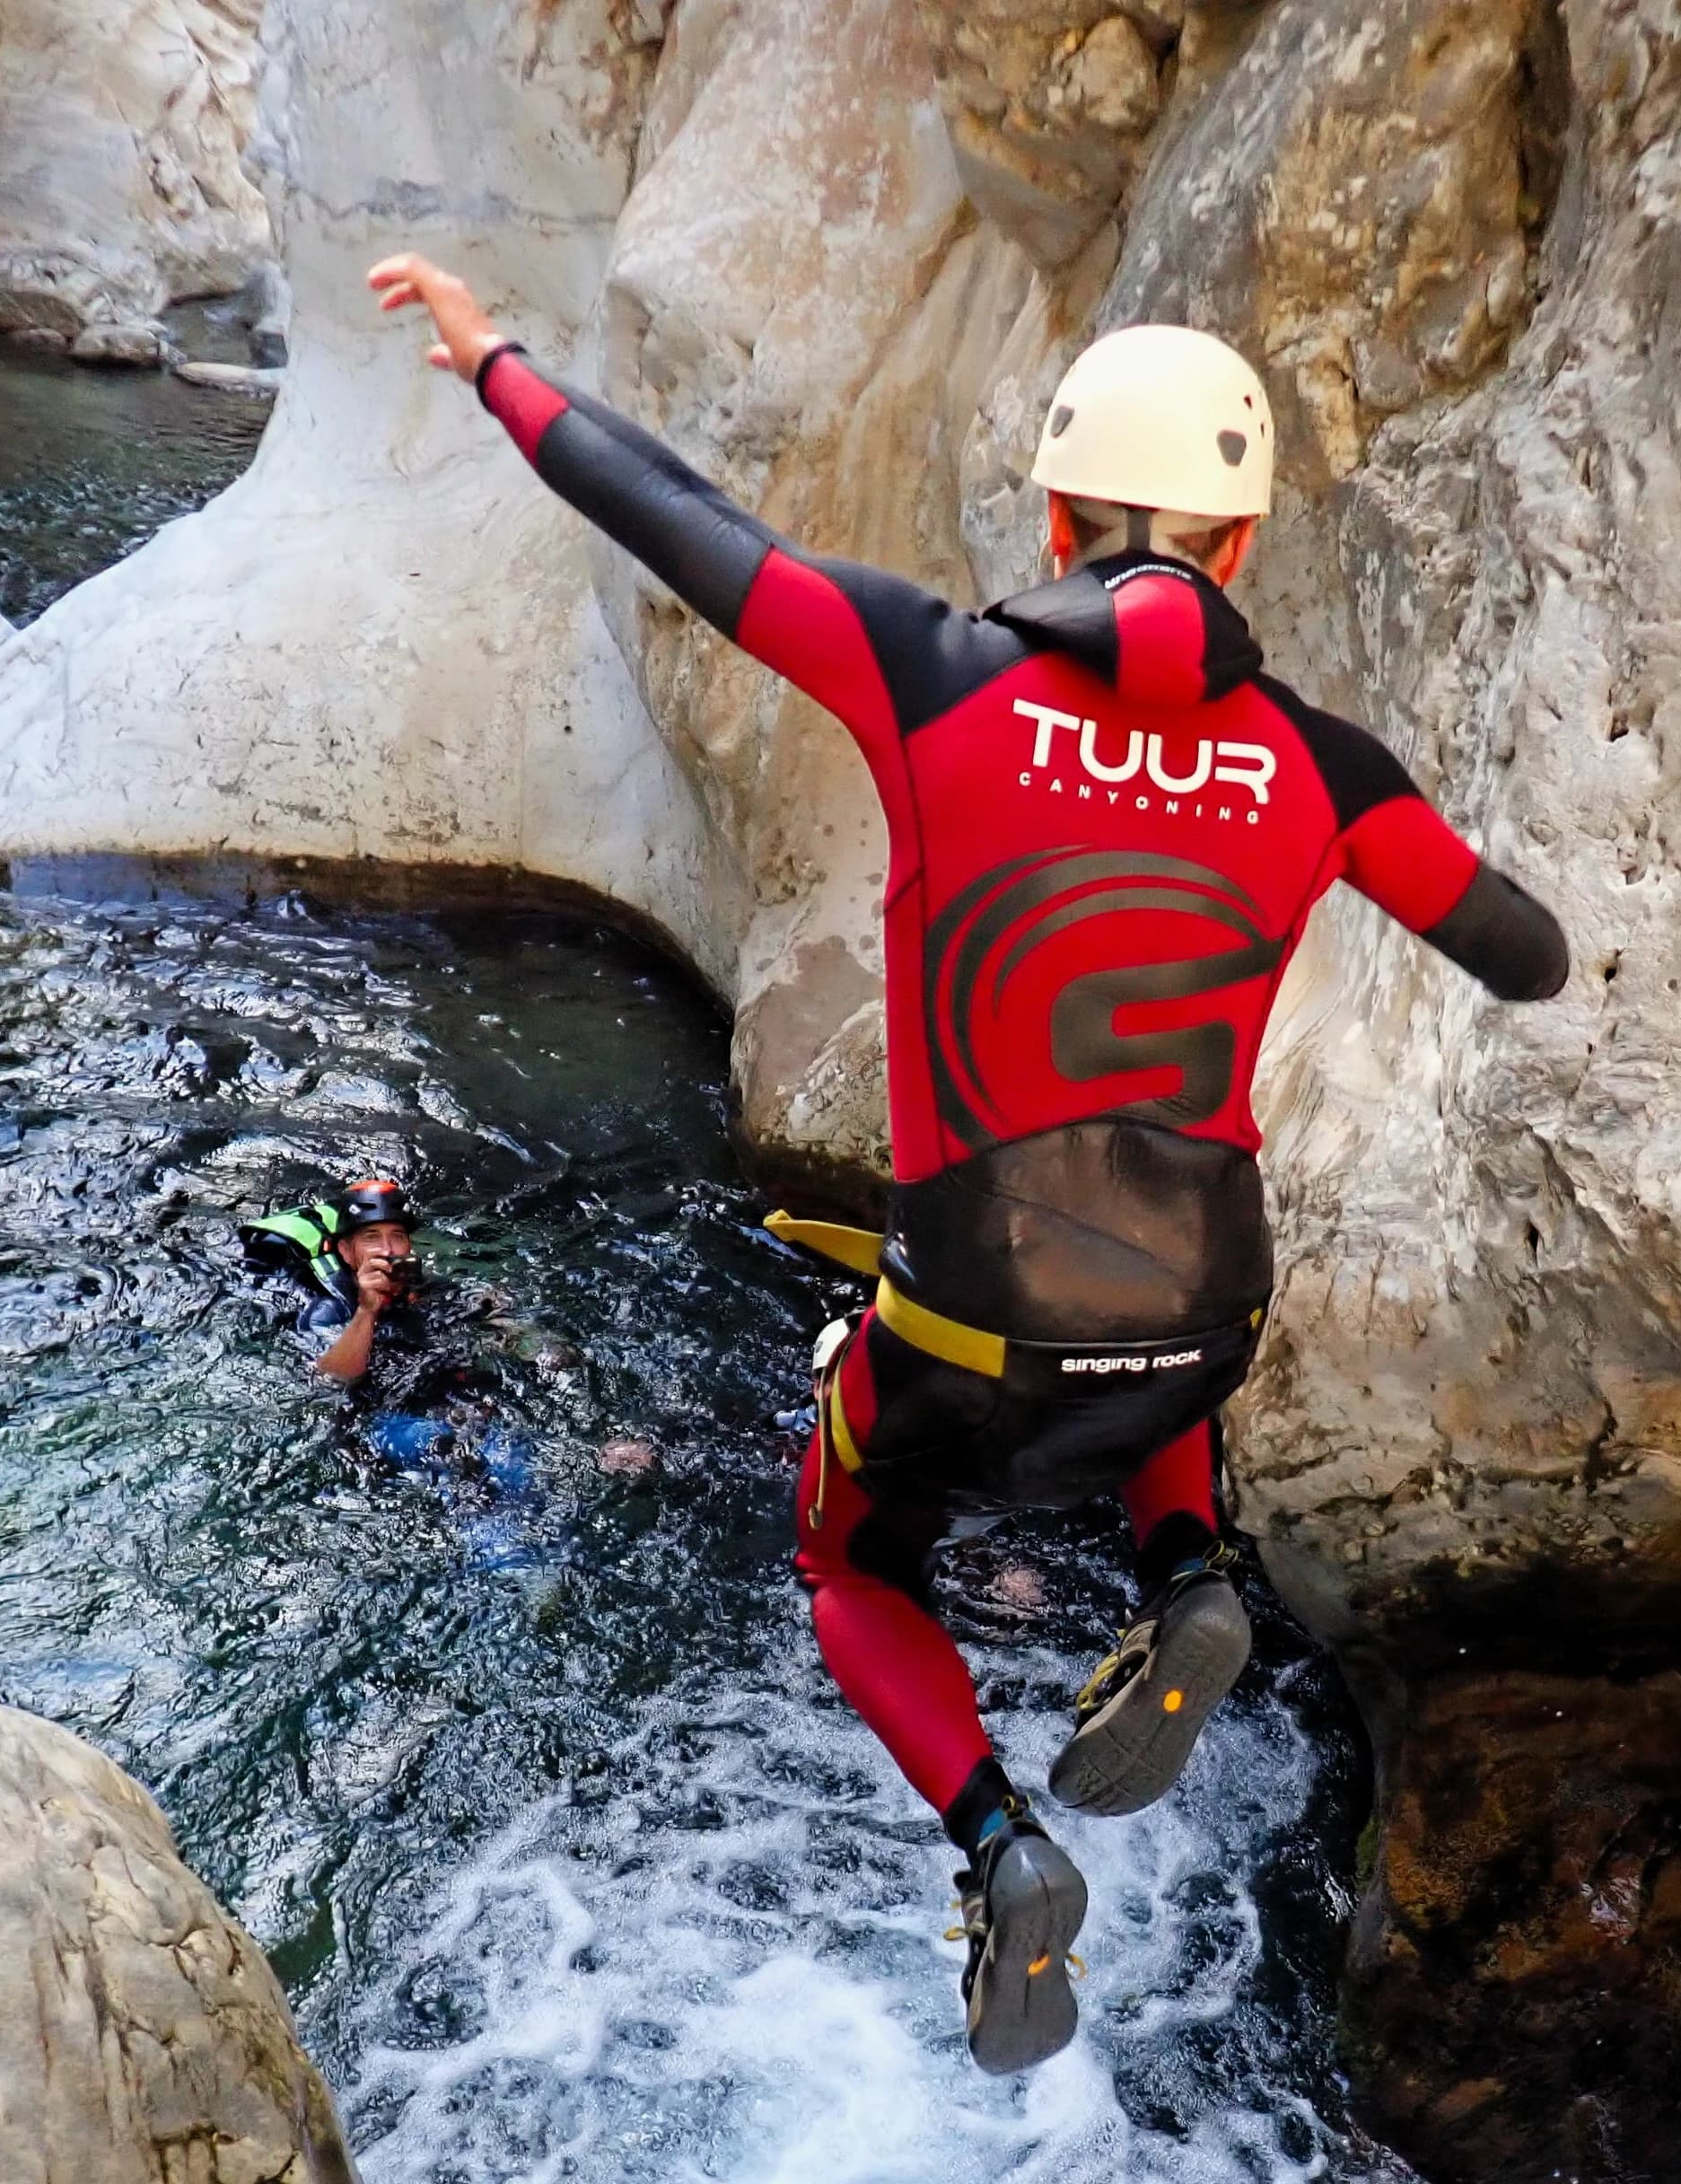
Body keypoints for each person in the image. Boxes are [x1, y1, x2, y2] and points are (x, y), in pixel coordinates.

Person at [368, 255, 1571, 2074]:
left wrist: (492, 359)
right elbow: (1524, 951)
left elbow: (668, 516)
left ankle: (1000, 1847)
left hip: (977, 1305)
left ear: (1056, 514)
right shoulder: (1320, 766)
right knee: (1154, 1324)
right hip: (1204, 1296)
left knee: (849, 1559)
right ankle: (1185, 1578)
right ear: (1239, 551)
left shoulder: (928, 668)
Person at [243, 1174, 431, 1383]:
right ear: (346, 1252)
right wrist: (367, 1309)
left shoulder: (425, 1288)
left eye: (397, 1236)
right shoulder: (327, 1310)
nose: (387, 1250)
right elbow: (334, 1376)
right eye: (371, 1237)